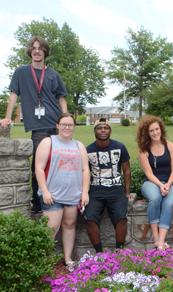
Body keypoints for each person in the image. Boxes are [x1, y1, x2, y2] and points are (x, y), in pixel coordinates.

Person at [1, 36, 68, 214]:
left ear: (45, 52)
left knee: (58, 162)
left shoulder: (53, 74)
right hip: (38, 128)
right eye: (34, 48)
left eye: (40, 48)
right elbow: (14, 95)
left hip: (56, 125)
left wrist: (65, 118)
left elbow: (61, 98)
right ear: (30, 51)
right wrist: (7, 117)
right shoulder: (21, 72)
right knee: (39, 164)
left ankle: (58, 197)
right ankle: (38, 203)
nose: (37, 51)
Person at [33, 113, 88, 271]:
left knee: (69, 225)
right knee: (51, 228)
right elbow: (39, 168)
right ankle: (43, 261)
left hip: (73, 195)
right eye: (64, 124)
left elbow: (85, 170)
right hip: (52, 195)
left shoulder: (79, 145)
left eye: (70, 125)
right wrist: (44, 191)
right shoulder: (48, 142)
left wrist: (84, 192)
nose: (67, 127)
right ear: (57, 125)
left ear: (74, 127)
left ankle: (68, 258)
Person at [85, 118, 132, 253]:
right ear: (95, 131)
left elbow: (126, 170)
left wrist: (127, 191)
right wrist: (84, 192)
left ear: (110, 130)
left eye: (106, 128)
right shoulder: (88, 150)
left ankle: (119, 251)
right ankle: (99, 253)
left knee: (121, 218)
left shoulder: (120, 147)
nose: (103, 130)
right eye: (99, 128)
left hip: (115, 188)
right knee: (90, 219)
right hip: (95, 189)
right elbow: (84, 172)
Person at [137, 115, 173, 251]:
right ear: (147, 133)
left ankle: (161, 241)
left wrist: (168, 184)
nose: (155, 133)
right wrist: (161, 185)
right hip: (151, 183)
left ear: (161, 129)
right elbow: (149, 174)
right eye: (151, 131)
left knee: (169, 202)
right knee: (155, 198)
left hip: (170, 182)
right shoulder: (144, 150)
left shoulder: (171, 146)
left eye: (157, 129)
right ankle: (156, 238)